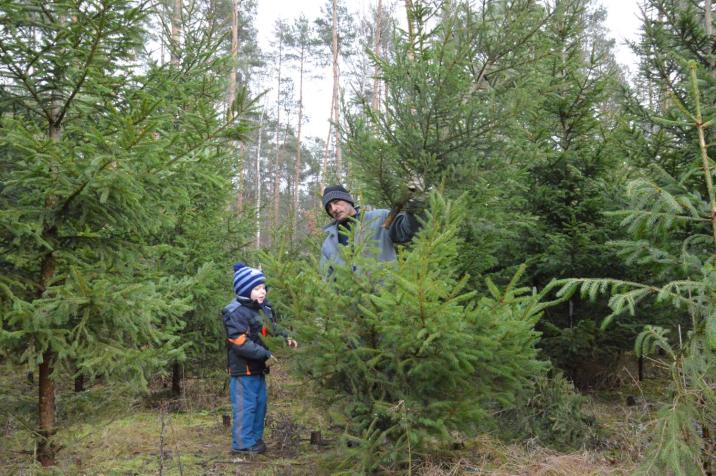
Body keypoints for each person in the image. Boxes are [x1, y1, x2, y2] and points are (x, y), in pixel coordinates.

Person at [222, 263, 298, 455]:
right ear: (245, 290)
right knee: (245, 407)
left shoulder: (263, 309)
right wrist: (265, 354)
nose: (262, 291)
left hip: (258, 368)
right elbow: (239, 342)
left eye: (263, 287)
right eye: (256, 288)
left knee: (259, 405)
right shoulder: (234, 311)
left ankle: (254, 440)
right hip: (243, 370)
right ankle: (242, 445)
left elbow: (271, 329)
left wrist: (286, 337)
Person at [320, 185, 421, 275]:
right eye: (329, 207)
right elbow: (326, 278)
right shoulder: (329, 243)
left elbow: (407, 231)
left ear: (348, 200)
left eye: (336, 202)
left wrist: (413, 207)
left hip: (386, 293)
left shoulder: (380, 218)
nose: (333, 209)